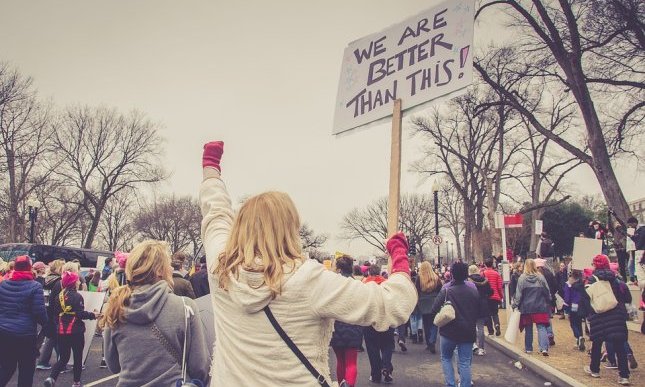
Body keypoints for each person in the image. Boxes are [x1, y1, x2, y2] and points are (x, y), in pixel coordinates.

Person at [199, 141, 417, 386]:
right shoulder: (307, 279)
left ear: (240, 227)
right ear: (290, 229)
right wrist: (399, 256)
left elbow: (215, 214)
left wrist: (211, 171)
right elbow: (394, 305)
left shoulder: (222, 270)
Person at [101, 240, 210, 386]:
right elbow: (199, 367)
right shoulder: (185, 307)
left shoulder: (116, 307)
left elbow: (114, 366)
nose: (171, 269)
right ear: (159, 271)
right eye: (168, 265)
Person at [427, 262, 479, 387]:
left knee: (446, 358)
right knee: (465, 362)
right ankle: (465, 384)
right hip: (468, 330)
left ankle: (450, 384)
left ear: (452, 274)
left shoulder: (446, 290)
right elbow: (479, 310)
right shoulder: (473, 290)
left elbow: (433, 309)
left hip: (448, 331)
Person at [582, 254, 631, 385]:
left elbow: (586, 298)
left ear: (595, 265)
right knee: (619, 345)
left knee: (597, 344)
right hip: (616, 316)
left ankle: (595, 370)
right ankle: (624, 375)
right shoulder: (616, 278)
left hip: (599, 316)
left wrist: (589, 313)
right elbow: (626, 296)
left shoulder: (592, 279)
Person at [44, 271, 99, 387]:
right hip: (76, 331)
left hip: (62, 331)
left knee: (63, 358)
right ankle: (76, 382)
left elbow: (55, 314)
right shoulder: (78, 296)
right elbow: (79, 314)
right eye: (78, 280)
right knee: (78, 357)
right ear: (74, 283)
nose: (79, 282)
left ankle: (51, 378)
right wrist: (93, 315)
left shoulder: (59, 296)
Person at [0, 256, 48, 387]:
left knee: (6, 368)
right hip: (25, 335)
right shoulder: (35, 286)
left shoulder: (3, 284)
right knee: (26, 371)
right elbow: (39, 313)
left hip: (4, 332)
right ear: (29, 267)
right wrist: (47, 326)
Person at [329, 255, 363, 387]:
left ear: (338, 268)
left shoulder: (333, 285)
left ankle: (340, 383)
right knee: (351, 363)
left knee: (340, 362)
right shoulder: (357, 285)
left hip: (336, 325)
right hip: (353, 325)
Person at [513, 258, 551, 356]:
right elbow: (547, 290)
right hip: (540, 305)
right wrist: (549, 300)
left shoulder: (522, 278)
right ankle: (544, 348)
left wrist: (516, 304)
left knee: (528, 328)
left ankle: (528, 348)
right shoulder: (540, 277)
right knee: (541, 327)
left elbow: (518, 294)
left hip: (527, 306)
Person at [37, 259, 65, 370]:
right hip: (53, 313)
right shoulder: (58, 281)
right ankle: (44, 361)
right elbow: (57, 299)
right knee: (53, 337)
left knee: (51, 337)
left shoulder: (45, 279)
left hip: (44, 310)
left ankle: (60, 361)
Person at [416, 261, 441, 353]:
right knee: (434, 323)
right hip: (434, 301)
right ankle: (432, 341)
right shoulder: (436, 278)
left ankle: (428, 343)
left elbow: (417, 290)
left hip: (423, 302)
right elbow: (440, 290)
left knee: (426, 324)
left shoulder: (419, 278)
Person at [468, 264, 492, 356]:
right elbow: (490, 291)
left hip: (471, 304)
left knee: (472, 326)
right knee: (481, 327)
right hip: (482, 304)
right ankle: (481, 348)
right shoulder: (484, 280)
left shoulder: (468, 281)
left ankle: (473, 345)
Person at [536, 258, 557, 346]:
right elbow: (555, 285)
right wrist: (551, 294)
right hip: (548, 299)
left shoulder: (535, 276)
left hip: (538, 299)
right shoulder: (549, 273)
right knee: (547, 317)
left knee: (540, 320)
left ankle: (544, 339)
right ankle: (550, 334)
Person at [563, 270, 586, 351]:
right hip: (580, 305)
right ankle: (580, 339)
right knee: (579, 322)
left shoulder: (568, 284)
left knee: (573, 322)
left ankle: (578, 337)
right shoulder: (581, 284)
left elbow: (567, 297)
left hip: (572, 305)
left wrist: (565, 307)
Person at [482, 258, 503, 336]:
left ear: (485, 265)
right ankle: (497, 325)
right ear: (492, 264)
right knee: (495, 313)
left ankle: (490, 330)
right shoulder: (496, 274)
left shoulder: (483, 274)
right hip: (495, 296)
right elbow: (500, 287)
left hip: (486, 297)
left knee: (488, 314)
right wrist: (501, 296)